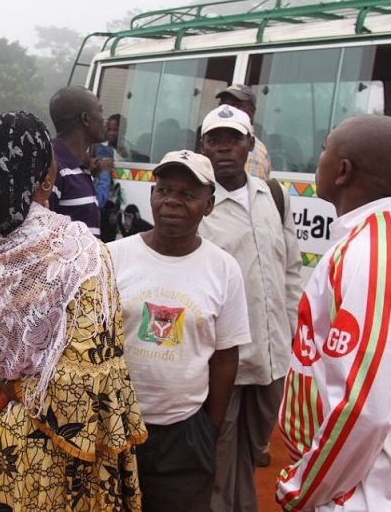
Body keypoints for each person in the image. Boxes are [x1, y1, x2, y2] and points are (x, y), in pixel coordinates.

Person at [0, 111, 147, 511]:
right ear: (47, 178)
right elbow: (93, 370)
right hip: (49, 451)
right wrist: (14, 389)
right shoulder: (79, 252)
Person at [277, 115, 391, 510]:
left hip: (369, 491)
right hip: (363, 482)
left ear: (343, 170)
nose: (320, 158)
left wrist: (304, 488)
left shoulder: (371, 255)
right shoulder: (374, 240)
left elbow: (364, 407)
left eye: (326, 148)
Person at [109, 150, 250, 511]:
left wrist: (209, 430)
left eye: (187, 195)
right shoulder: (111, 257)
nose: (171, 201)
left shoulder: (224, 269)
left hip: (184, 436)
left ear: (209, 204)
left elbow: (225, 356)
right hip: (113, 427)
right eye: (164, 190)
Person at [194, 105, 302, 512]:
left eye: (233, 140)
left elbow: (291, 269)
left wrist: (291, 331)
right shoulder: (201, 203)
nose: (224, 149)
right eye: (214, 140)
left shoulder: (274, 196)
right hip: (226, 360)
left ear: (250, 145)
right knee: (220, 452)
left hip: (274, 356)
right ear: (203, 146)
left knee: (252, 448)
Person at [48, 86, 105, 236]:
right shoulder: (52, 167)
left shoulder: (81, 167)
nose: (103, 118)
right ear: (86, 118)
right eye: (100, 111)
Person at [213, 85, 273, 181]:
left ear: (252, 111)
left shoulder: (250, 153)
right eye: (224, 105)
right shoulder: (217, 144)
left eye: (238, 106)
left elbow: (247, 195)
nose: (229, 110)